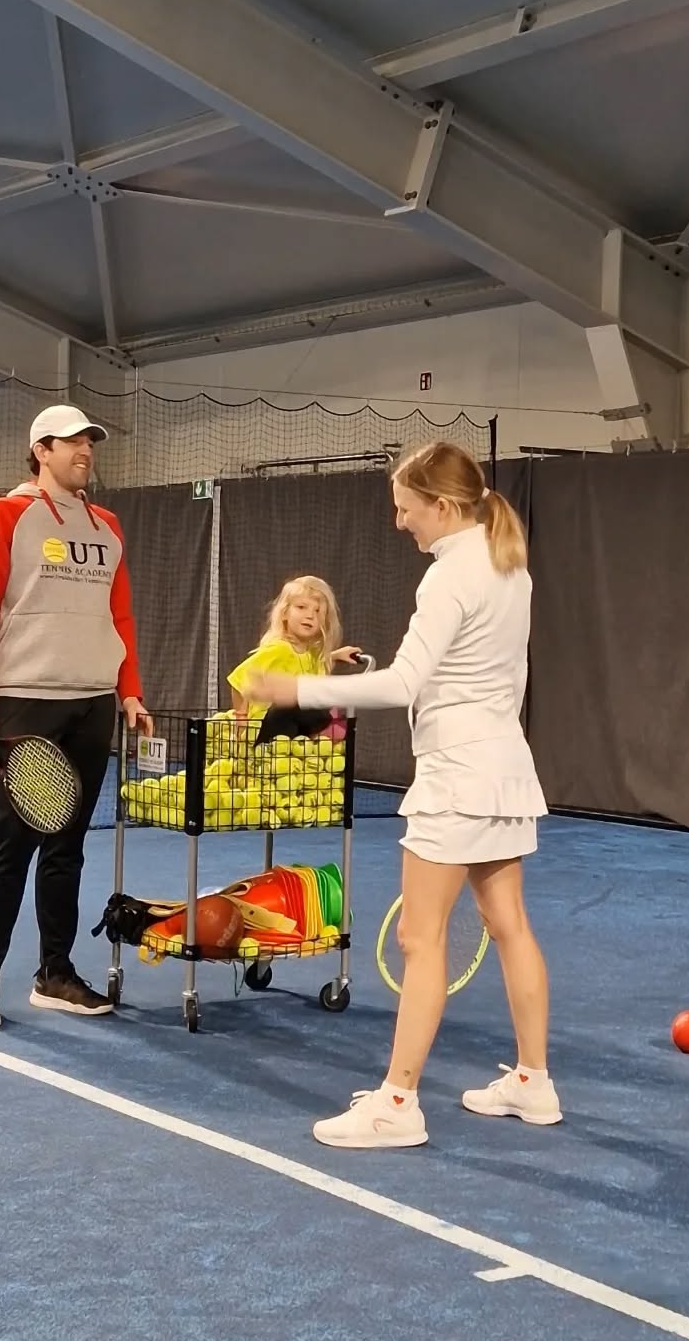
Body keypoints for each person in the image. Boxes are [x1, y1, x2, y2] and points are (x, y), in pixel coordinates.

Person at [243, 441, 556, 1149]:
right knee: (509, 923)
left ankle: (396, 1103)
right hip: (504, 768)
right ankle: (534, 1082)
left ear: (442, 507)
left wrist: (297, 688)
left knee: (420, 938)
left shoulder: (450, 577)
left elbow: (400, 684)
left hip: (457, 777)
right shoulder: (511, 566)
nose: (399, 522)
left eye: (406, 509)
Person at [0, 403, 152, 1029]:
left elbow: (118, 618)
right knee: (13, 845)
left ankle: (55, 973)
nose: (85, 451)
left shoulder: (109, 528)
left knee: (67, 848)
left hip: (93, 703)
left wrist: (129, 692)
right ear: (41, 449)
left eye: (89, 442)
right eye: (72, 442)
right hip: (24, 700)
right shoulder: (4, 516)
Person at [226, 575, 360, 722]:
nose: (310, 615)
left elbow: (305, 664)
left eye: (317, 611)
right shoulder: (279, 650)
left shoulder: (305, 652)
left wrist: (335, 655)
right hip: (266, 727)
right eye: (301, 607)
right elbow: (238, 680)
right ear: (284, 613)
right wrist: (241, 719)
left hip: (292, 730)